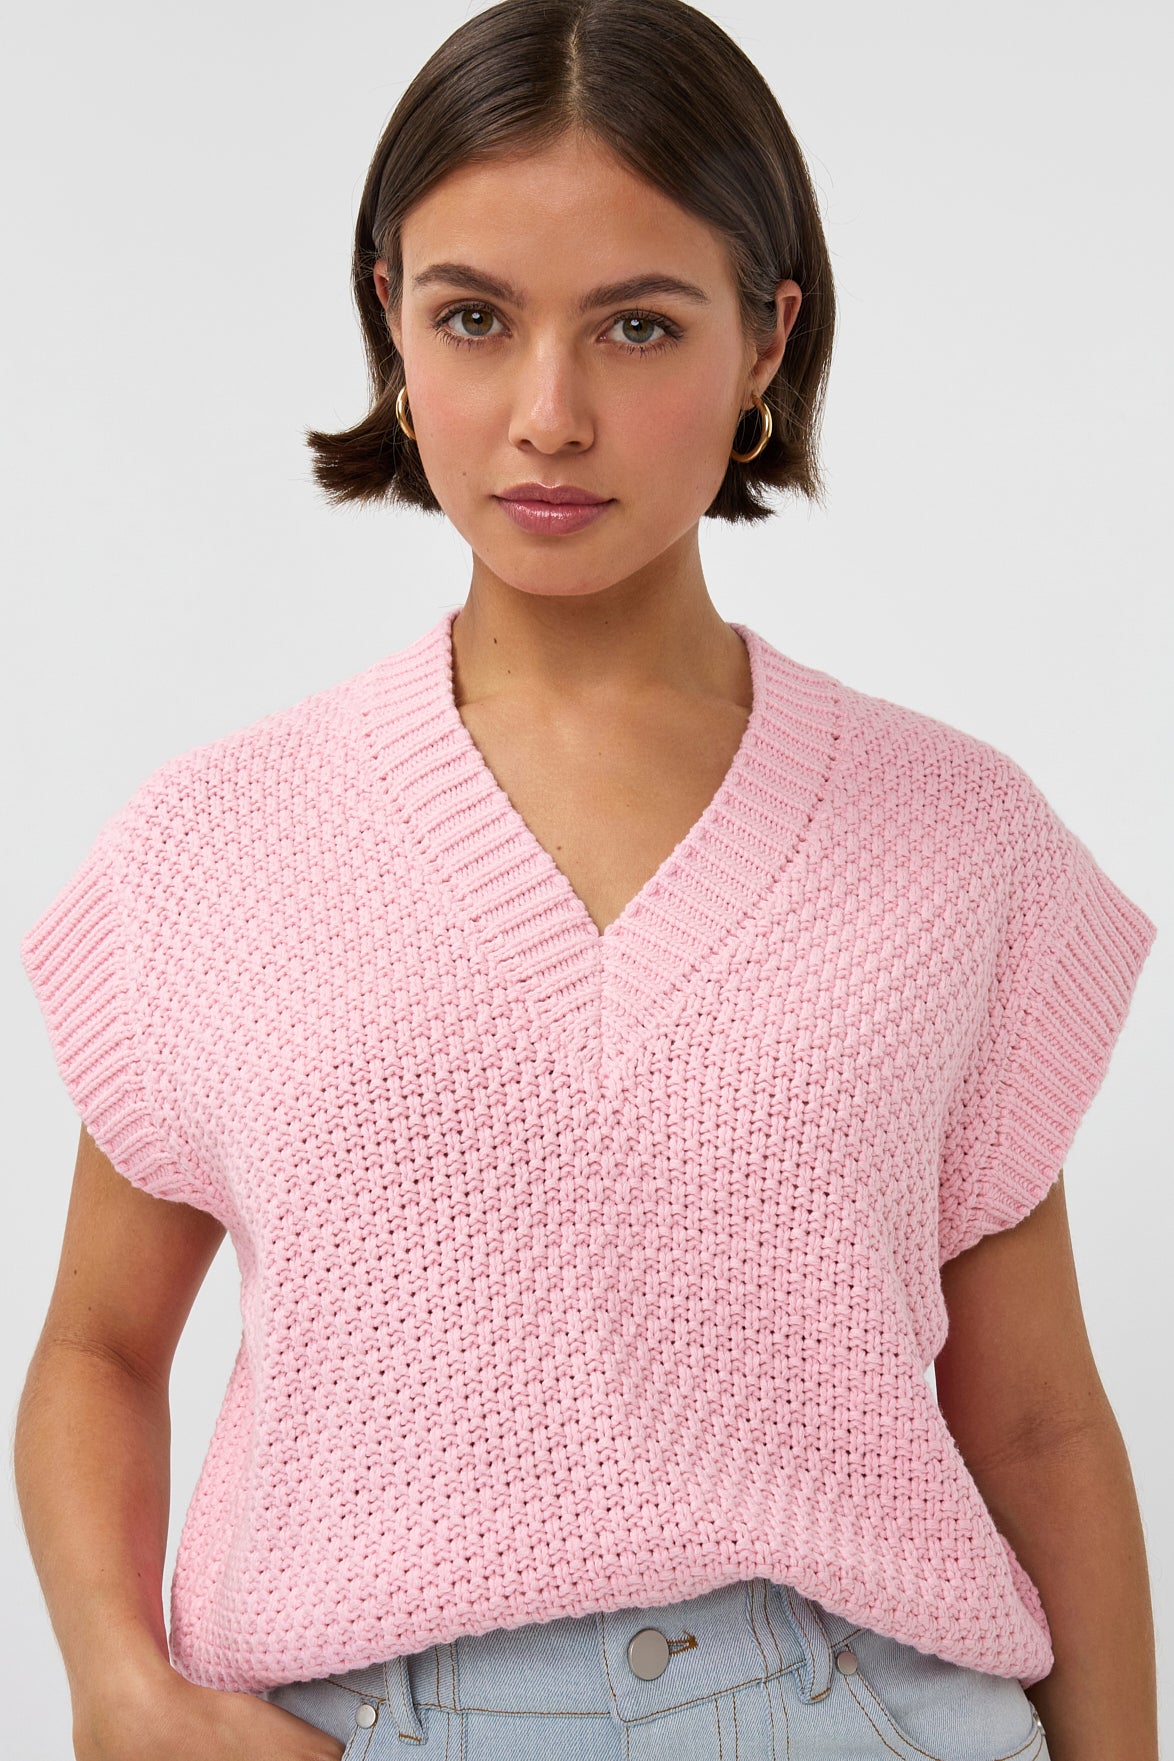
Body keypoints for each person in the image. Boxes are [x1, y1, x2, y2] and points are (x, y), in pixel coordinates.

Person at [13, 1, 1159, 1759]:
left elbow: (1034, 1422)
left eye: (637, 325)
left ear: (767, 341)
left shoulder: (955, 837)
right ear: (391, 320)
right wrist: (116, 1685)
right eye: (475, 317)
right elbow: (98, 1346)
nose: (548, 416)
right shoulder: (214, 846)